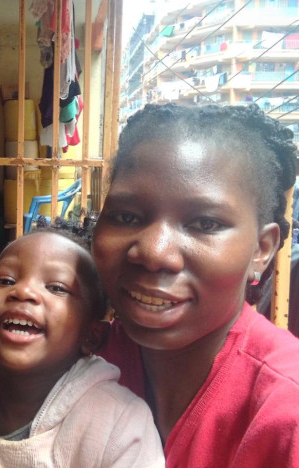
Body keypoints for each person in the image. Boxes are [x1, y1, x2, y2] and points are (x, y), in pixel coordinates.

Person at [91, 103, 299, 467]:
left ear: (262, 249)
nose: (153, 252)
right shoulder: (71, 360)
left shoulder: (286, 410)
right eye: (126, 216)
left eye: (205, 224)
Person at [0, 227, 165, 467]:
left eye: (57, 287)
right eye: (5, 281)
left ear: (92, 336)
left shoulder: (118, 427)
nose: (23, 291)